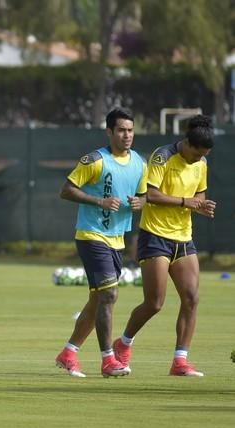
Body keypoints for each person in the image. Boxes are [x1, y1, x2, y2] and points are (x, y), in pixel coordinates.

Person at [113, 115, 216, 377]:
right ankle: (123, 342)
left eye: (202, 156)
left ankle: (180, 361)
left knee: (191, 298)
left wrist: (201, 205)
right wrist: (185, 202)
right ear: (186, 143)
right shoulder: (163, 156)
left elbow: (199, 194)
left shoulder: (201, 162)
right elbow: (152, 195)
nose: (198, 159)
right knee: (155, 303)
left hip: (183, 238)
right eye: (196, 154)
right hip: (155, 236)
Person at [55, 108, 147, 378]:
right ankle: (108, 360)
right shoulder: (95, 160)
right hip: (91, 235)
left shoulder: (140, 163)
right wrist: (99, 201)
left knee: (98, 300)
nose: (127, 135)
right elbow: (66, 190)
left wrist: (140, 202)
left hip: (117, 239)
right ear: (109, 132)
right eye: (121, 130)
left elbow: (142, 196)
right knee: (110, 294)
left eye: (130, 130)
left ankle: (69, 352)